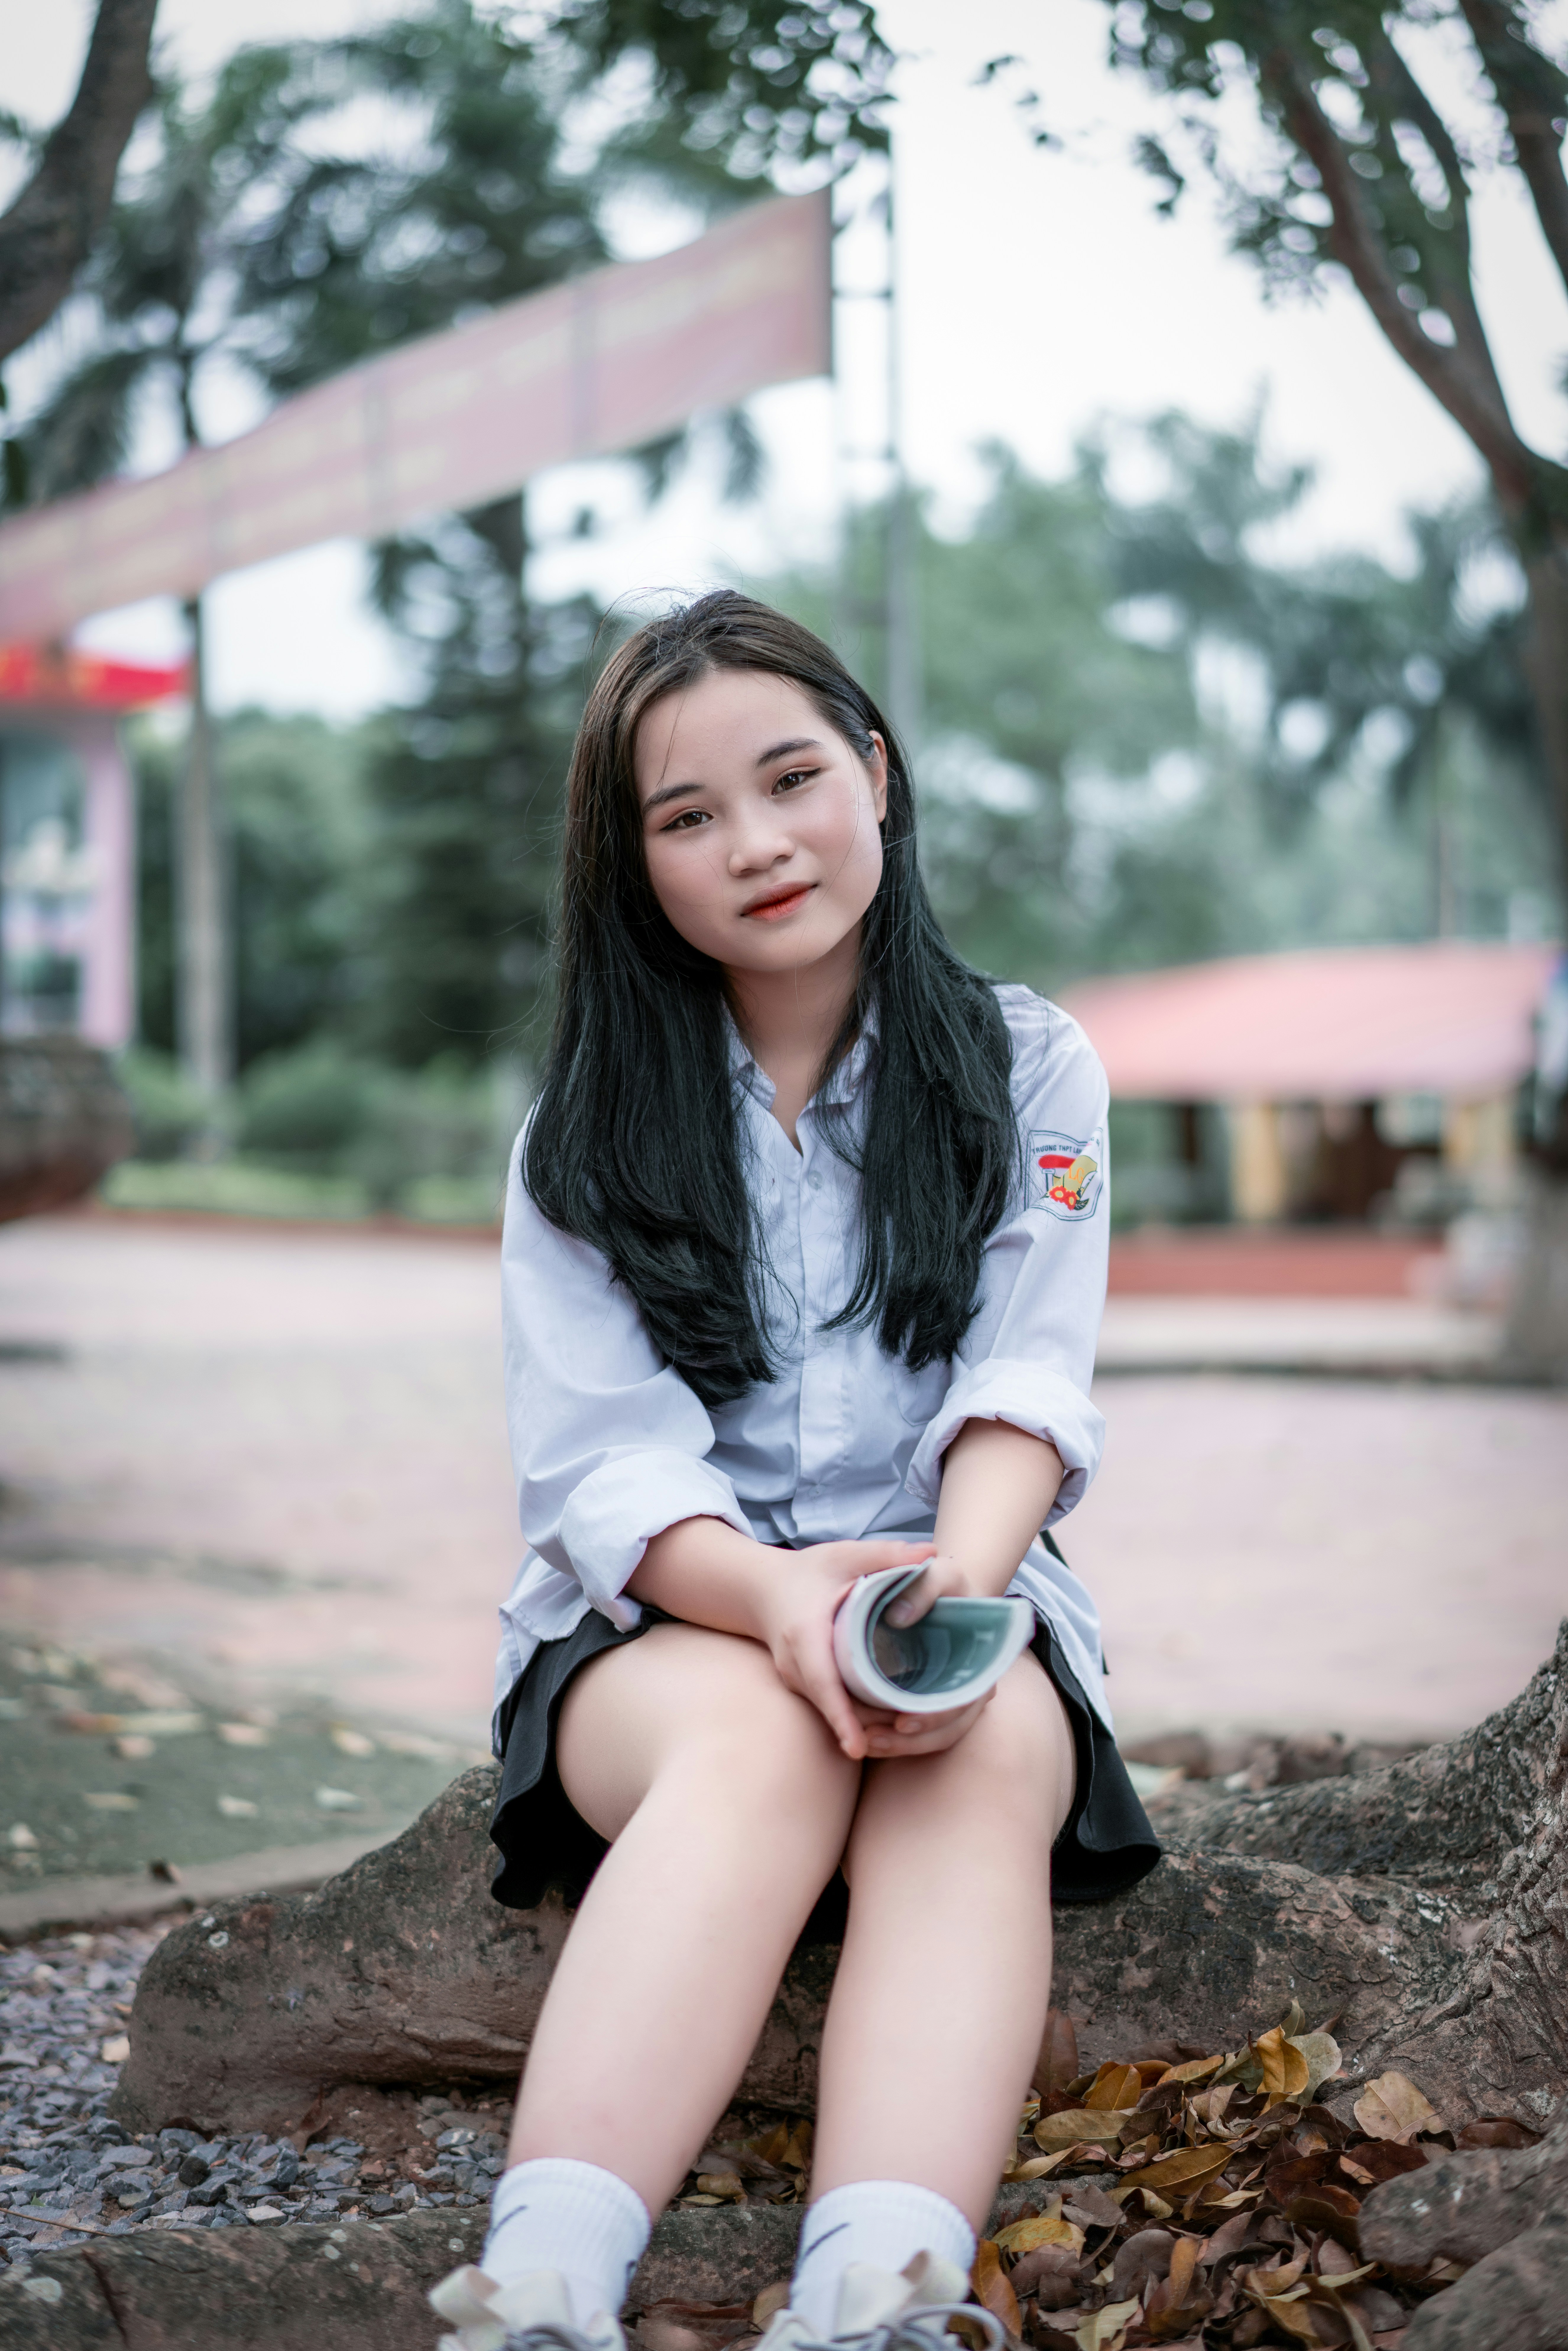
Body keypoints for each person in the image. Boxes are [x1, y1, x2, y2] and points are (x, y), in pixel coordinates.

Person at [430, 592, 1159, 2351]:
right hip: (672, 1621)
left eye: (791, 779)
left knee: (976, 1753)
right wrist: (779, 1605)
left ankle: (875, 2300)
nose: (755, 846)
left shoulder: (1027, 1066)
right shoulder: (587, 1136)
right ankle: (538, 2292)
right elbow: (603, 1468)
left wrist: (943, 1610)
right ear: (637, 869)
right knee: (758, 1733)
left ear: (877, 778)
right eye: (687, 819)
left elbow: (1022, 1381)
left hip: (950, 1579)